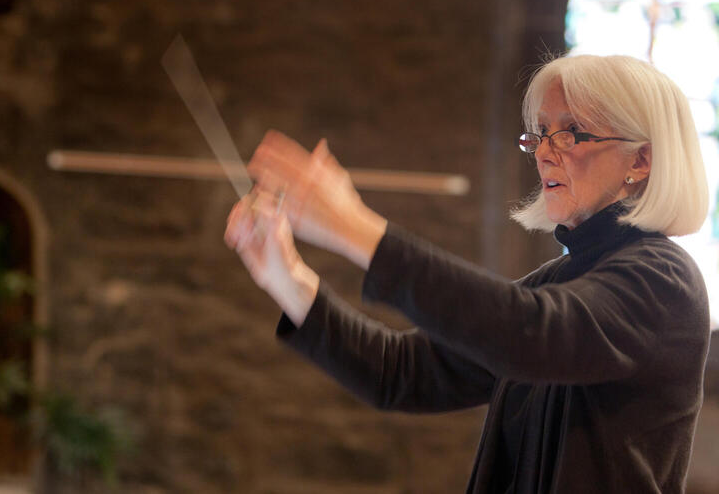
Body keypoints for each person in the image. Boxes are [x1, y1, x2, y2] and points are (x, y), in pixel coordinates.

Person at [224, 54, 711, 493]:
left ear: (641, 160)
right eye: (540, 133)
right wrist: (285, 275)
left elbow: (530, 335)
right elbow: (401, 372)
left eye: (571, 132)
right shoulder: (556, 280)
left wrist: (355, 228)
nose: (544, 151)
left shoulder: (664, 280)